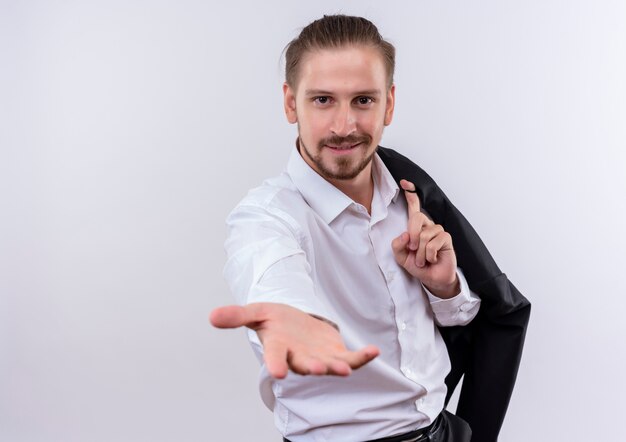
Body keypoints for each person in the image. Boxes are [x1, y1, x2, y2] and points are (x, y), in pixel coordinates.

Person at [210, 15, 530, 442]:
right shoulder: (268, 217)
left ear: (389, 104)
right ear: (290, 104)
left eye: (363, 100)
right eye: (323, 100)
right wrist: (294, 318)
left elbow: (464, 319)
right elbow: (270, 270)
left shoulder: (412, 196)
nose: (344, 126)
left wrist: (445, 287)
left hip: (445, 432)